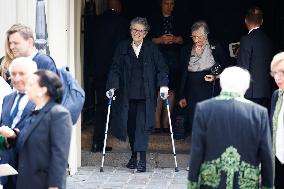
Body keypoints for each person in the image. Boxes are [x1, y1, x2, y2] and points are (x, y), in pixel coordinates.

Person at [187, 66, 273, 189]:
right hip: (246, 183)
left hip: (212, 182)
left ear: (221, 84)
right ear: (246, 87)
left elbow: (197, 150)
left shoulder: (204, 109)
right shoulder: (259, 112)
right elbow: (266, 154)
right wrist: (268, 185)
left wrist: (192, 184)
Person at [106, 17, 169, 172]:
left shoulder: (152, 48)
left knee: (141, 127)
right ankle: (134, 156)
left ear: (146, 33)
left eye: (140, 30)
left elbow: (162, 68)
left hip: (145, 95)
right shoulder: (122, 47)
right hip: (127, 95)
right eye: (134, 29)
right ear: (130, 31)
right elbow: (115, 68)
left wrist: (163, 85)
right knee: (131, 126)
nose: (137, 33)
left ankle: (142, 160)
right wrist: (112, 86)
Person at [0, 70, 72, 189]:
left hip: (42, 183)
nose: (27, 86)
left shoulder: (58, 114)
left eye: (32, 84)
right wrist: (12, 135)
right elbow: (24, 141)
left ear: (43, 90)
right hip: (25, 181)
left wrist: (54, 186)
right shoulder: (34, 113)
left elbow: (59, 155)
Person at [179, 20, 230, 135]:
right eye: (193, 37)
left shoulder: (215, 46)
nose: (196, 40)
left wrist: (215, 76)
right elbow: (183, 74)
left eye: (199, 37)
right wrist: (182, 95)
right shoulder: (186, 50)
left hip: (210, 88)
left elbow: (226, 63)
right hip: (192, 91)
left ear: (206, 35)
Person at [91, 0, 129, 153]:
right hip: (113, 71)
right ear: (118, 5)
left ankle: (97, 142)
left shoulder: (97, 20)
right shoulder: (122, 22)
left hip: (97, 70)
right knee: (113, 105)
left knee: (100, 107)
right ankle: (117, 134)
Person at [0, 57, 37, 189]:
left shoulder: (41, 100)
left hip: (30, 168)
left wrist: (14, 134)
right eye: (14, 74)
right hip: (7, 169)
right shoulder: (7, 99)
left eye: (22, 74)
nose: (16, 78)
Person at [149, 0, 184, 132]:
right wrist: (160, 40)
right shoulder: (153, 19)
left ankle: (166, 123)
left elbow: (185, 38)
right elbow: (146, 39)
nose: (169, 7)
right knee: (159, 89)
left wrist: (175, 39)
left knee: (172, 89)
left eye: (172, 4)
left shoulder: (179, 19)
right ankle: (156, 123)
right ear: (160, 4)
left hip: (174, 58)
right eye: (166, 4)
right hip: (158, 57)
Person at [237, 6, 273, 109]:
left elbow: (243, 68)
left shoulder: (246, 39)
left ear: (245, 21)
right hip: (265, 92)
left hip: (250, 93)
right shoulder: (268, 40)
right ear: (261, 21)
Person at [270, 52, 284, 189]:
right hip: (278, 158)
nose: (278, 78)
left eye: (282, 73)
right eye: (275, 73)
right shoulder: (276, 95)